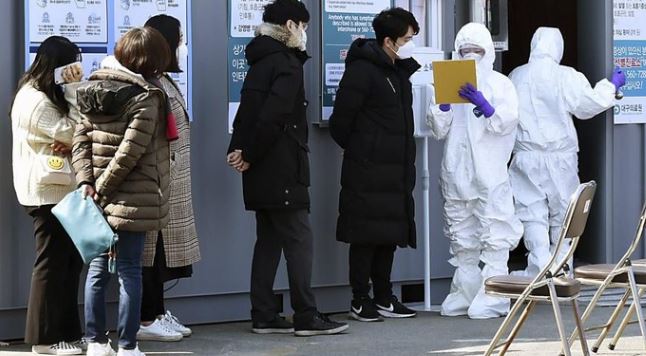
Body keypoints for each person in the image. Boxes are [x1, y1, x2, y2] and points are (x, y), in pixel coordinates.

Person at [226, 0, 348, 336]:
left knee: (268, 240)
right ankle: (306, 316)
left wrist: (238, 149)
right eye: (304, 26)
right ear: (291, 26)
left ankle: (263, 314)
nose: (306, 33)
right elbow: (273, 116)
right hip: (282, 165)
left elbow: (247, 110)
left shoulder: (259, 60)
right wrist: (247, 152)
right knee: (299, 239)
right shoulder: (286, 63)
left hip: (262, 166)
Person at [71, 27, 172, 356]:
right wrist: (102, 189)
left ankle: (96, 342)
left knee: (98, 270)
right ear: (151, 60)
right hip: (132, 199)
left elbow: (80, 141)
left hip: (96, 197)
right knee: (129, 271)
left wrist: (87, 183)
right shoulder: (146, 98)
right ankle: (128, 347)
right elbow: (130, 153)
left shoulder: (91, 88)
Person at [508, 27, 625, 277]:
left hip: (526, 156)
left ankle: (539, 266)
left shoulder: (517, 75)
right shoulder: (565, 75)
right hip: (560, 157)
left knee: (531, 211)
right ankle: (560, 267)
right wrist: (610, 87)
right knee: (564, 212)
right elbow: (587, 105)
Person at [426, 22, 523, 319]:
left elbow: (507, 122)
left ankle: (495, 294)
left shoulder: (500, 84)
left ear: (489, 52)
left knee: (494, 230)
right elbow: (438, 130)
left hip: (490, 172)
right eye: (464, 51)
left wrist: (486, 106)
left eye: (476, 51)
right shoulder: (447, 83)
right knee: (461, 233)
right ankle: (465, 290)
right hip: (456, 172)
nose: (470, 56)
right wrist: (441, 107)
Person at [329, 7, 420, 322]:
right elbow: (341, 121)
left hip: (395, 168)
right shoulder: (363, 71)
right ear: (388, 40)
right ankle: (359, 298)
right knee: (365, 236)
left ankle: (384, 296)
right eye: (406, 39)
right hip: (368, 168)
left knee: (389, 235)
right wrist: (362, 151)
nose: (409, 44)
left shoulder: (396, 71)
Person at [10, 36, 85, 356]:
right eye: (71, 66)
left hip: (60, 189)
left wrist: (72, 138)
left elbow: (74, 132)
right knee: (52, 264)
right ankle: (43, 340)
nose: (73, 73)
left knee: (69, 264)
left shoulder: (43, 94)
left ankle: (67, 333)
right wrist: (73, 91)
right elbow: (75, 130)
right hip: (45, 192)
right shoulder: (35, 100)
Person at [135, 14, 201, 342]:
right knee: (150, 253)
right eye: (180, 39)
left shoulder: (163, 80)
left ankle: (158, 312)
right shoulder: (148, 84)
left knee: (161, 255)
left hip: (170, 183)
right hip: (156, 184)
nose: (183, 46)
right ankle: (146, 318)